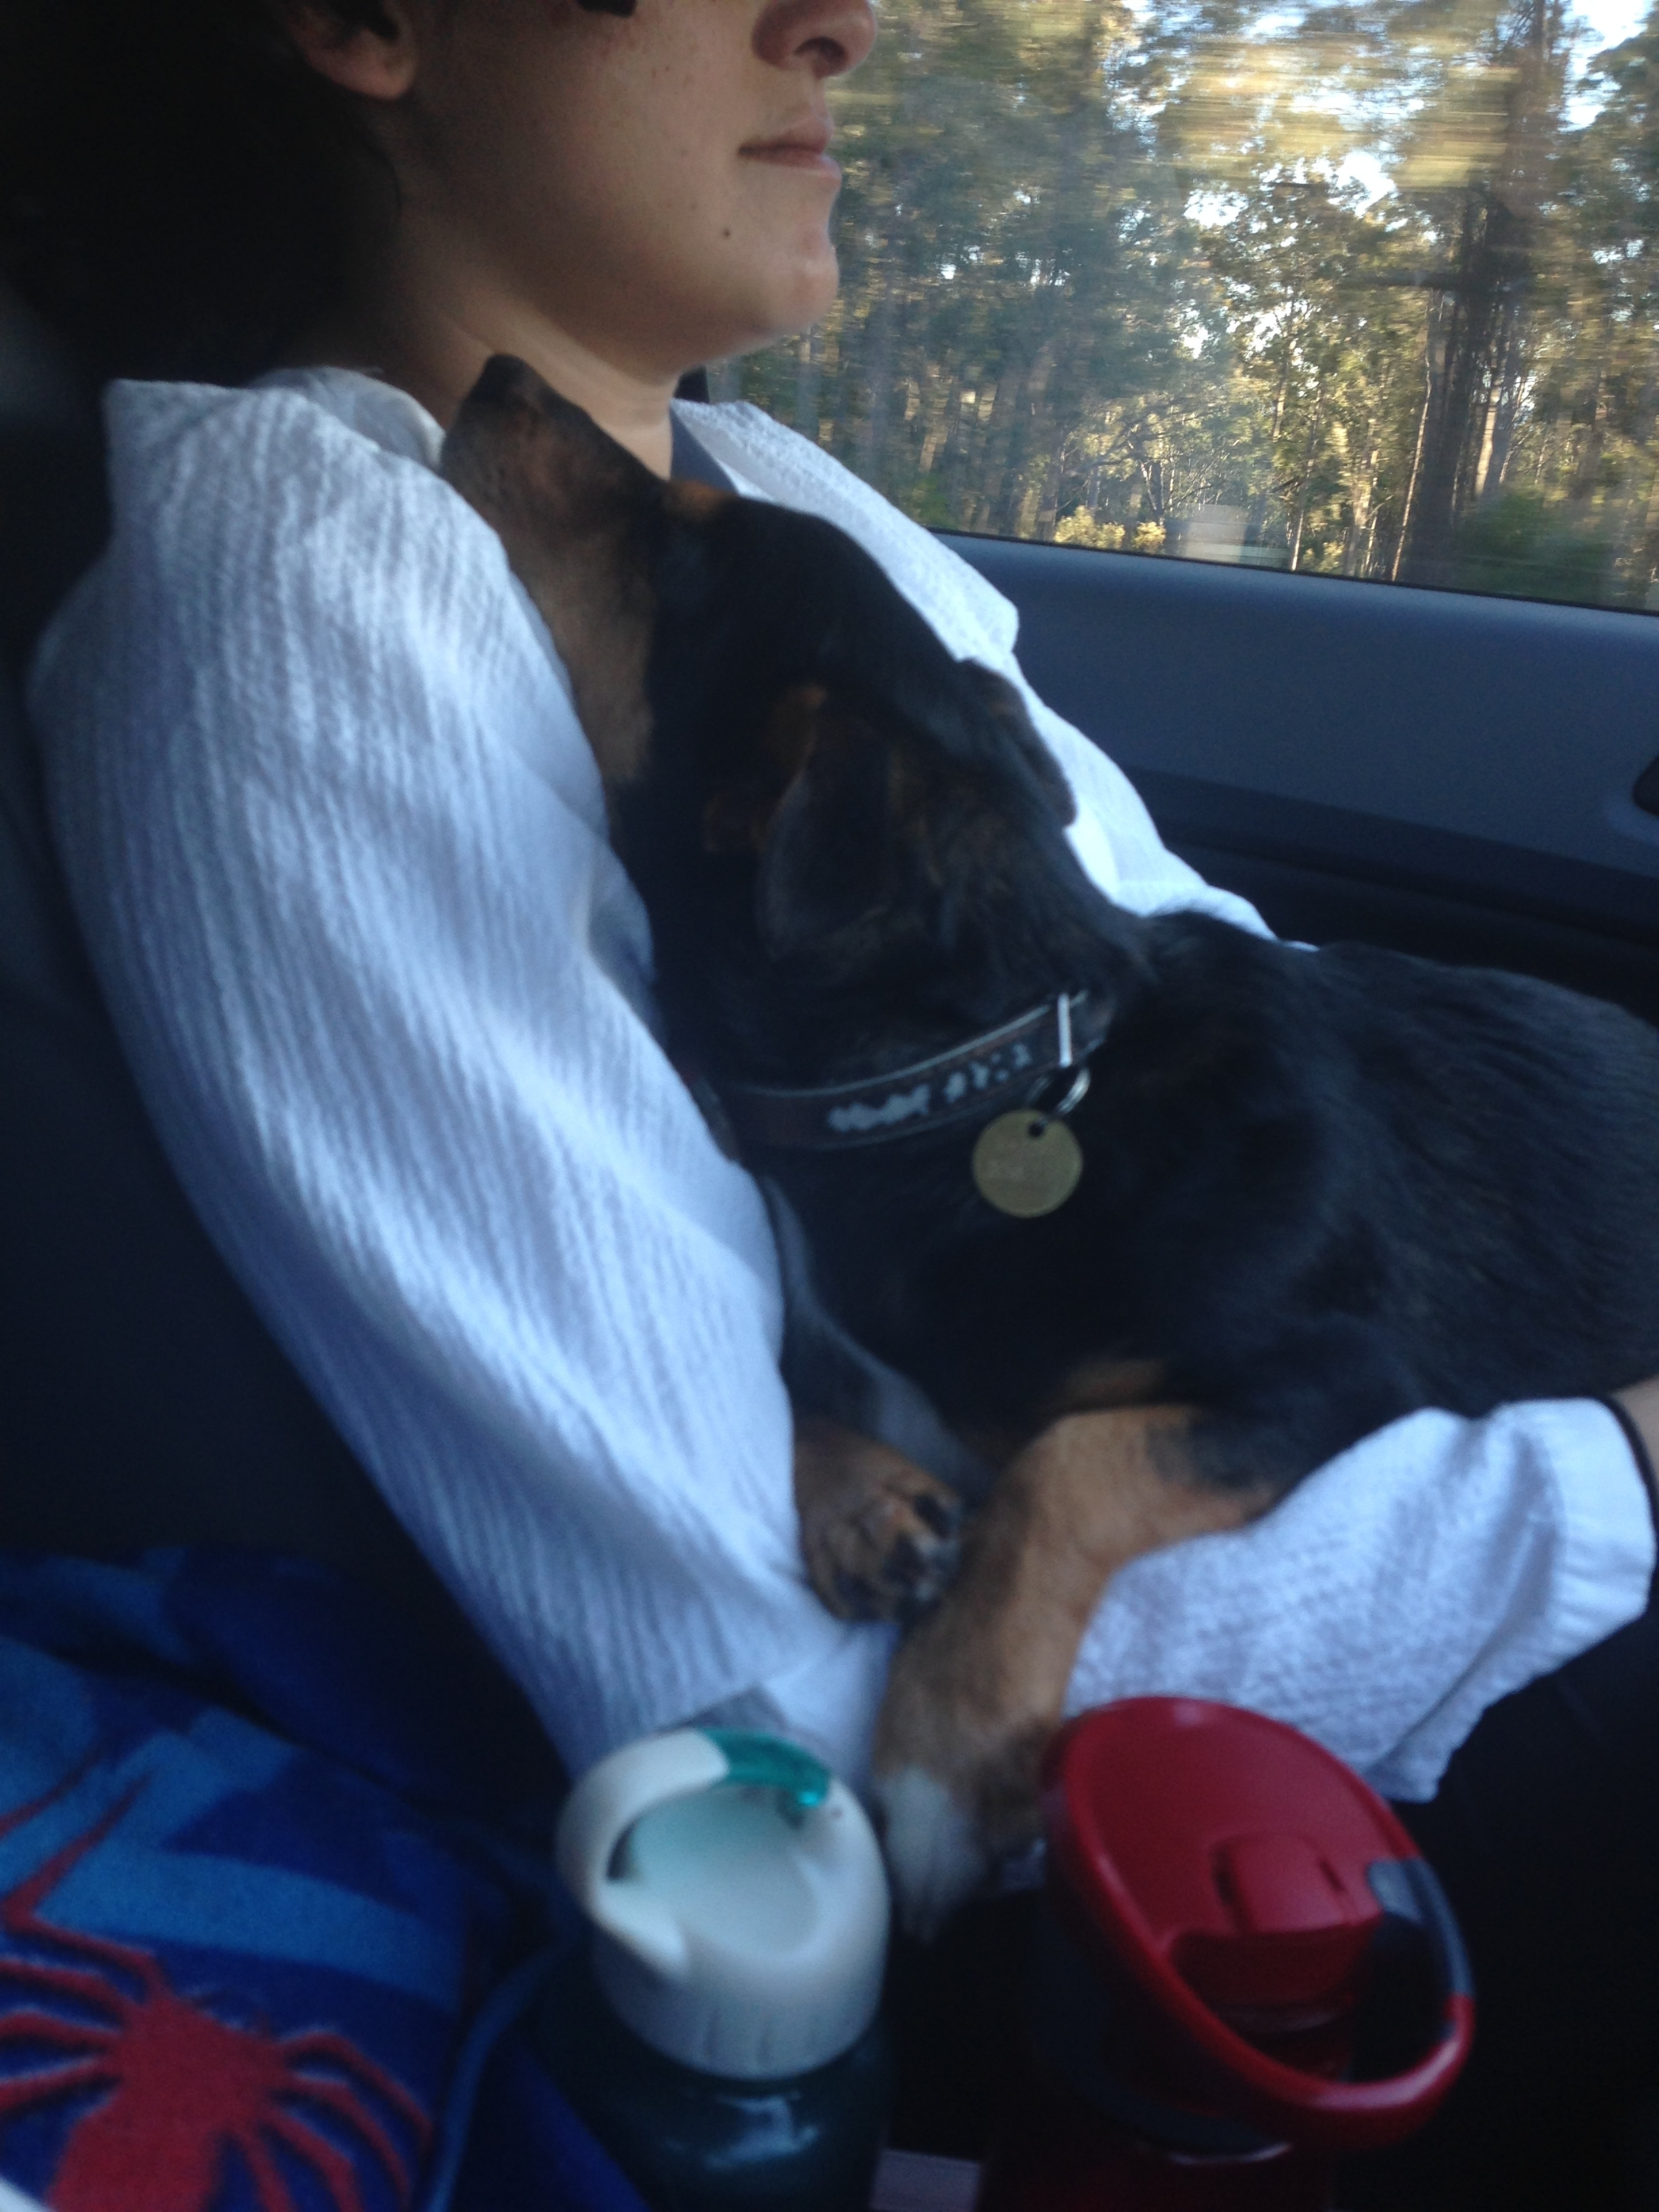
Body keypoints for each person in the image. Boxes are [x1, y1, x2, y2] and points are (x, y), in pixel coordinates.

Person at [3, 0, 1658, 2198]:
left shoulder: (774, 495)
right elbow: (759, 1713)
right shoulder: (322, 602)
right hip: (1146, 1888)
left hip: (1395, 1464)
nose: (844, 23)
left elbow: (1213, 1017)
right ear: (370, 23)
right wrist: (1619, 1469)